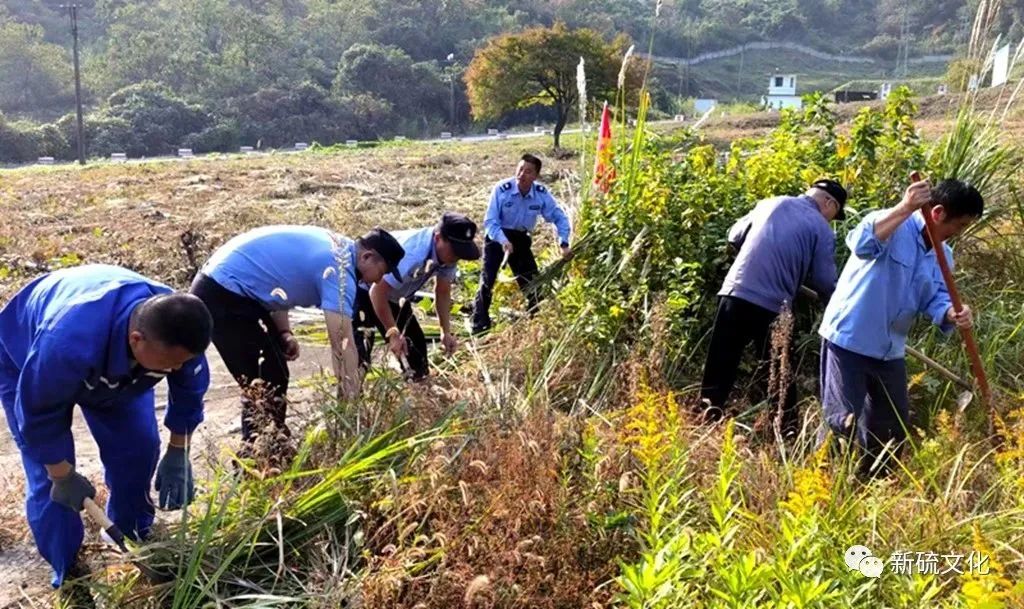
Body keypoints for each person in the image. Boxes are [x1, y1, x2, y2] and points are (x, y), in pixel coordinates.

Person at [0, 264, 212, 601]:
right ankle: (70, 575)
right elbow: (38, 417)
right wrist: (62, 473)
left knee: (139, 452)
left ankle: (130, 541)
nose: (175, 370)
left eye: (181, 363)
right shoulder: (66, 342)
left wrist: (178, 449)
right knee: (51, 486)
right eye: (168, 364)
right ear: (136, 339)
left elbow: (189, 389)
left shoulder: (177, 328)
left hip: (118, 368)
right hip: (27, 356)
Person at [818, 178, 980, 477]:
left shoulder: (945, 256)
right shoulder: (892, 224)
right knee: (842, 421)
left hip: (890, 348)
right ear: (938, 213)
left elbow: (936, 298)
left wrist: (952, 313)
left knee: (891, 426)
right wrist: (905, 207)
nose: (958, 233)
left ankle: (873, 487)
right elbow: (862, 244)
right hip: (850, 339)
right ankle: (820, 487)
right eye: (959, 225)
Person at [190, 225, 404, 445]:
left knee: (273, 374)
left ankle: (270, 446)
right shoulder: (339, 273)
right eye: (383, 272)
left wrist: (284, 332)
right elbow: (343, 345)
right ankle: (260, 454)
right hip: (223, 293)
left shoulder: (337, 248)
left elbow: (277, 279)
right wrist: (351, 411)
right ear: (367, 256)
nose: (378, 282)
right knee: (266, 380)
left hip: (226, 286)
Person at [699, 179, 845, 433]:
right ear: (829, 203)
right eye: (835, 214)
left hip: (734, 292)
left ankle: (705, 420)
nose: (832, 219)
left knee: (720, 363)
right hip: (771, 305)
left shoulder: (770, 203)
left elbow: (734, 236)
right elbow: (824, 280)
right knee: (779, 371)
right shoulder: (821, 228)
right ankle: (786, 433)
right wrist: (836, 307)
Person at [354, 213, 481, 380]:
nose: (456, 258)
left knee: (415, 348)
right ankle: (350, 399)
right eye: (455, 251)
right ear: (438, 238)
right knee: (359, 352)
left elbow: (442, 291)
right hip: (365, 289)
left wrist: (445, 331)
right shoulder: (413, 254)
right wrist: (393, 333)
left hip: (395, 295)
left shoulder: (448, 256)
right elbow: (377, 292)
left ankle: (420, 393)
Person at [471, 154, 572, 334]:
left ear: (535, 176)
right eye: (520, 169)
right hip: (497, 237)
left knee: (532, 282)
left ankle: (536, 320)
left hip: (521, 239)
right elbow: (490, 221)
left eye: (528, 171)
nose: (522, 174)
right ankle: (480, 323)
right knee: (488, 279)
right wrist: (503, 240)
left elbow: (559, 217)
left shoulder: (540, 194)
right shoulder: (502, 189)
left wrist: (564, 242)